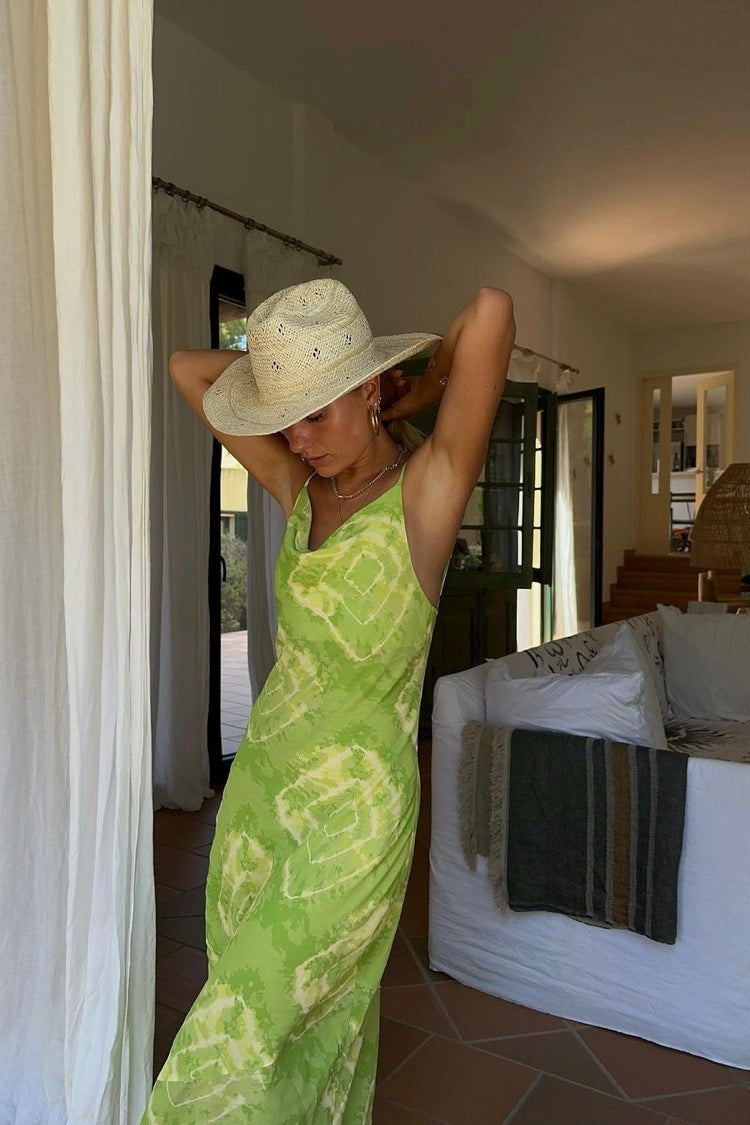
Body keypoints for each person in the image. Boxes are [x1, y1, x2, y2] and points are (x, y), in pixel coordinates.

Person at [143, 277, 515, 1122]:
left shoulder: (427, 494)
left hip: (353, 819)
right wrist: (288, 380)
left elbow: (490, 309)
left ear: (368, 389)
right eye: (285, 417)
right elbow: (188, 368)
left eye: (315, 411)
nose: (298, 437)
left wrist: (422, 382)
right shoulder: (298, 485)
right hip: (259, 798)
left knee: (236, 1035)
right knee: (285, 1027)